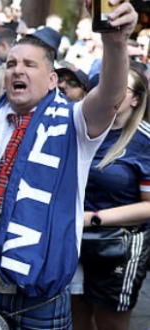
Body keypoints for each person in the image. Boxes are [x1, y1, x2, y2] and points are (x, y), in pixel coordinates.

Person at [0, 2, 138, 329]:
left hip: (39, 296)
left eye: (29, 64)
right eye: (11, 63)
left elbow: (109, 97)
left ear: (51, 80)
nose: (17, 69)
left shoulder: (73, 123)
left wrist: (115, 43)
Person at [71, 68, 150, 330]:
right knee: (75, 317)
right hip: (74, 239)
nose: (110, 93)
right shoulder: (83, 128)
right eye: (106, 86)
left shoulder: (145, 140)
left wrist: (92, 219)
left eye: (120, 88)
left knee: (109, 322)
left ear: (136, 99)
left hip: (119, 246)